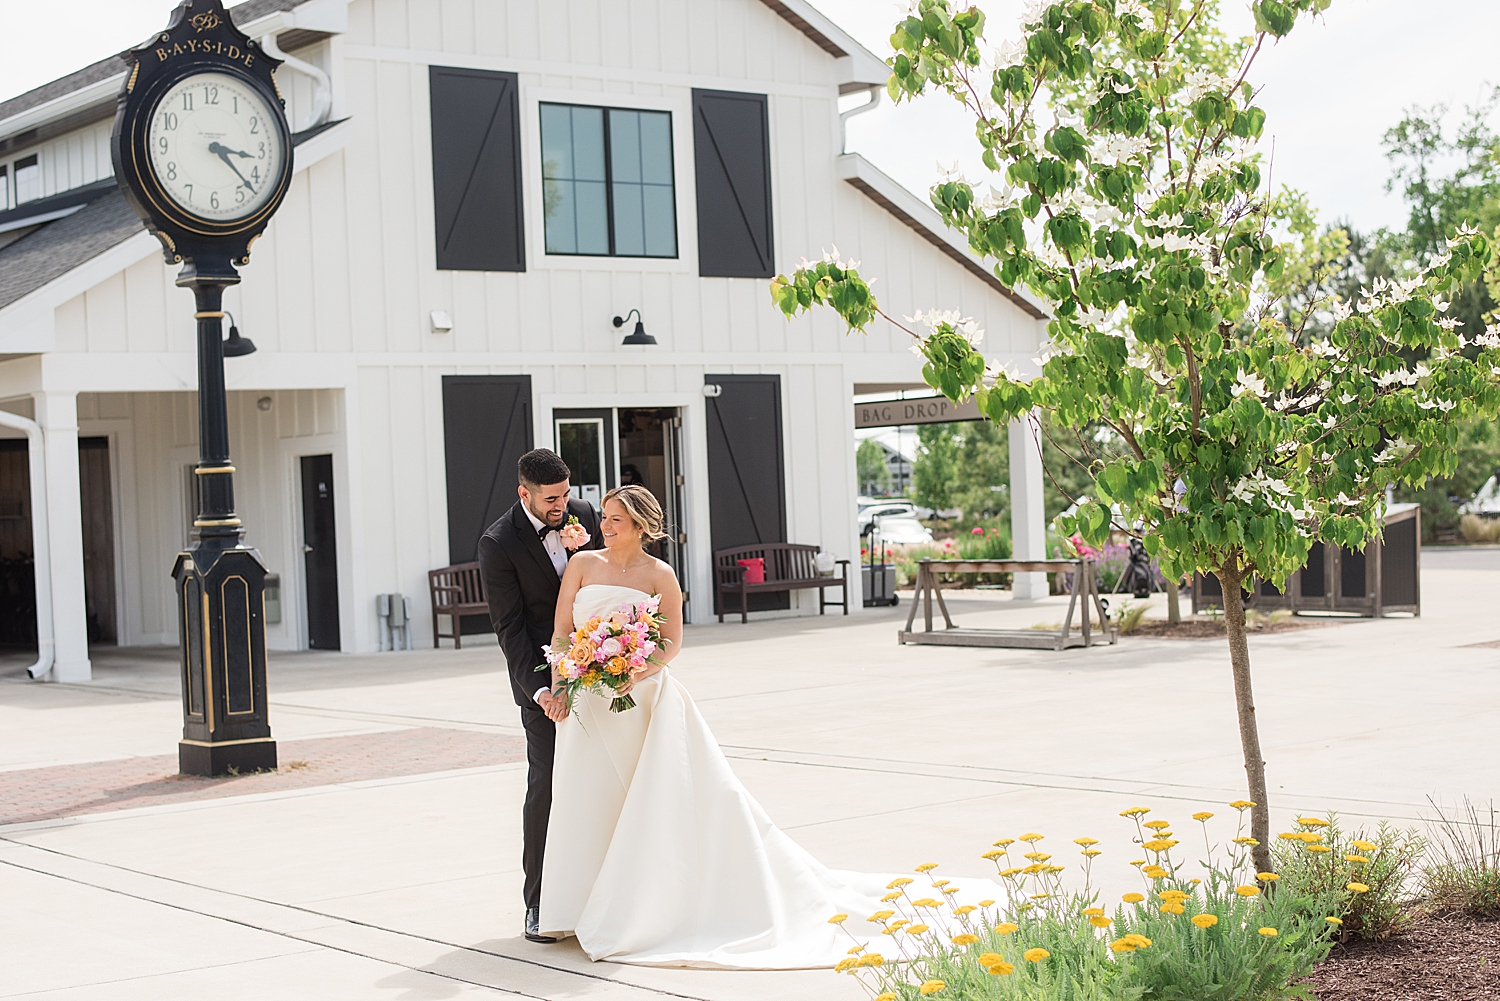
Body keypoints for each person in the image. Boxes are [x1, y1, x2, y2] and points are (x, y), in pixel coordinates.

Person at [536, 485, 993, 968]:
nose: (605, 526)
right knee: (588, 797)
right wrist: (565, 685)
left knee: (648, 801)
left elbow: (670, 644)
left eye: (617, 520)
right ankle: (578, 906)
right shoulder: (584, 566)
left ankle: (637, 908)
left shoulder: (660, 575)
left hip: (643, 701)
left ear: (642, 527)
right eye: (605, 517)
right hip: (589, 701)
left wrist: (635, 668)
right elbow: (562, 632)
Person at [477, 448, 602, 943]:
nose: (563, 507)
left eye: (566, 495)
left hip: (601, 674)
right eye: (552, 499)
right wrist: (542, 690)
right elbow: (510, 629)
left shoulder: (587, 517)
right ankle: (538, 902)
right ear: (523, 493)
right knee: (546, 785)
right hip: (544, 684)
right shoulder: (498, 543)